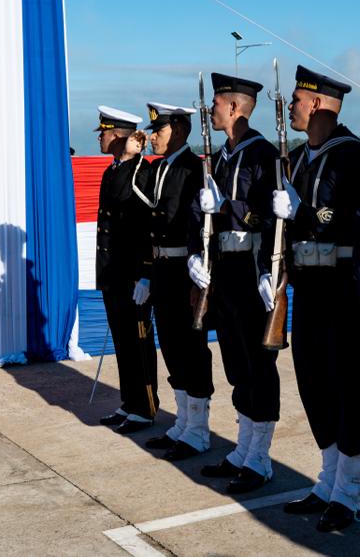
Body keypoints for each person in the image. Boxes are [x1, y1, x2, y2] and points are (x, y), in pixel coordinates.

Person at [272, 66, 360, 532]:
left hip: (342, 287)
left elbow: (358, 218)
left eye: (297, 99)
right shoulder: (298, 157)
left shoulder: (354, 156)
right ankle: (328, 480)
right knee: (314, 384)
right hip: (309, 286)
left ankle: (350, 493)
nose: (291, 107)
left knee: (348, 388)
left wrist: (306, 212)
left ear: (317, 104)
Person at [192, 73, 282, 495]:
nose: (210, 110)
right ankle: (243, 449)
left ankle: (260, 458)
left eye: (215, 103)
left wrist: (227, 205)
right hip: (225, 268)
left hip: (251, 268)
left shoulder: (263, 154)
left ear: (233, 107)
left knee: (257, 366)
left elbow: (266, 213)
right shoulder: (223, 156)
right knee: (234, 362)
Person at [131, 103, 214, 460]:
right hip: (164, 269)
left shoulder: (193, 169)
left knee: (192, 349)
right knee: (172, 347)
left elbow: (198, 224)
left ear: (178, 131)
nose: (152, 138)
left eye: (159, 131)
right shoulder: (160, 168)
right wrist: (148, 273)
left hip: (186, 269)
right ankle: (182, 422)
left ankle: (198, 430)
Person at [93, 106, 160, 433]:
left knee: (138, 342)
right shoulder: (112, 171)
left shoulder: (138, 172)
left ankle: (146, 408)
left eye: (104, 133)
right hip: (113, 274)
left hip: (133, 275)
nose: (100, 138)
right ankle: (130, 402)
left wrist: (146, 273)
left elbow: (147, 225)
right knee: (122, 340)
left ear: (119, 136)